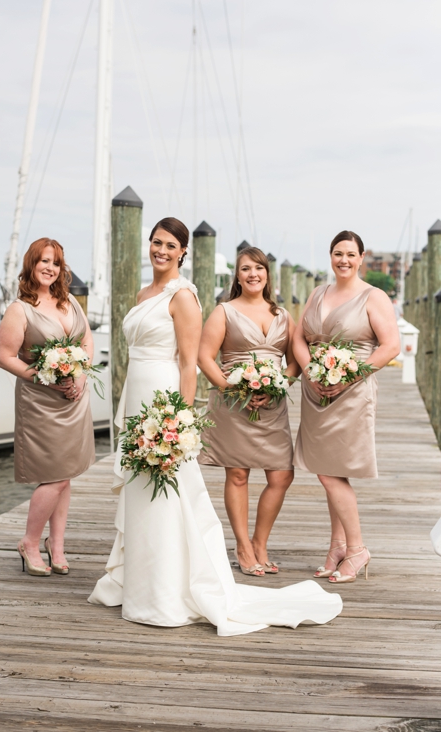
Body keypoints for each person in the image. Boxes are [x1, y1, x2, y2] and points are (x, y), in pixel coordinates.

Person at [89, 217, 343, 634]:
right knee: (144, 487)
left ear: (184, 252)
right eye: (156, 243)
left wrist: (179, 416)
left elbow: (189, 362)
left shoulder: (184, 296)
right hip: (137, 394)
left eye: (171, 245)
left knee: (172, 490)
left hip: (165, 397)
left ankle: (169, 586)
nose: (162, 250)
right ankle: (140, 579)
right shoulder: (143, 293)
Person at [292, 231, 399, 583]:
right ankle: (337, 546)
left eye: (350, 254)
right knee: (330, 469)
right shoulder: (318, 292)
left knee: (329, 472)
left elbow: (390, 346)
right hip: (316, 391)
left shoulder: (374, 296)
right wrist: (310, 372)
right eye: (338, 253)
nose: (344, 260)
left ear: (362, 257)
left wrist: (349, 377)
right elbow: (298, 337)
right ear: (330, 255)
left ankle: (357, 549)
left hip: (351, 392)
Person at [197, 246, 300, 576]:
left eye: (258, 267)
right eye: (245, 269)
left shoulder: (283, 315)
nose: (252, 273)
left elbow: (296, 360)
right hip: (233, 403)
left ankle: (260, 541)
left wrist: (278, 385)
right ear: (237, 276)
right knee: (238, 474)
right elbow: (204, 357)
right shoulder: (224, 311)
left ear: (267, 274)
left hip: (272, 404)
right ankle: (242, 545)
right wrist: (234, 389)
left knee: (282, 474)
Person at [0, 238, 94, 576]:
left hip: (73, 399)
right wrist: (40, 376)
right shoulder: (19, 309)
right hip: (40, 401)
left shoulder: (71, 304)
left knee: (64, 475)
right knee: (52, 477)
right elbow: (4, 356)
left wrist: (80, 377)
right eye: (44, 261)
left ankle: (58, 544)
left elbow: (86, 342)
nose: (50, 268)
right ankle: (30, 541)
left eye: (56, 262)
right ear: (32, 265)